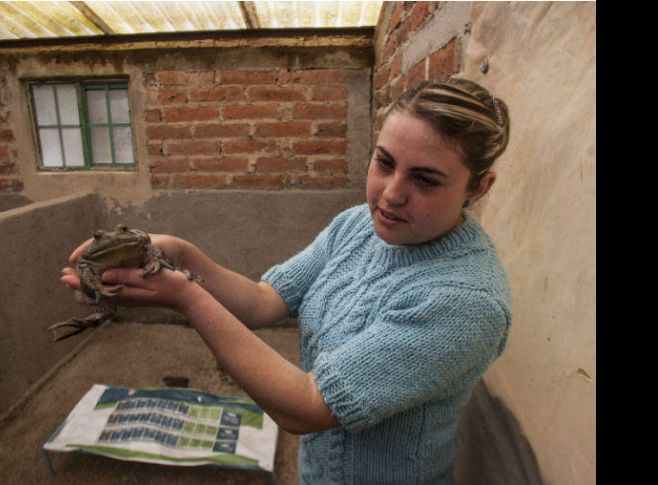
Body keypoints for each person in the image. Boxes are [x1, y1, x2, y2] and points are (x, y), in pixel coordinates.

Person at [60, 76, 512, 485]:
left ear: (479, 187)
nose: (391, 193)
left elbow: (306, 405)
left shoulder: (465, 302)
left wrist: (186, 296)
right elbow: (264, 300)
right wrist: (180, 253)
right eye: (384, 162)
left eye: (426, 180)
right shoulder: (357, 225)